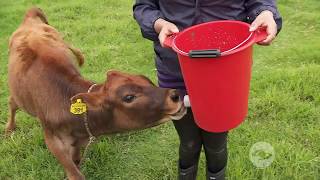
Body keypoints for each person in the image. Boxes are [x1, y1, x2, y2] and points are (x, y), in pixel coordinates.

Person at [133, 1, 282, 179]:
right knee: (188, 142)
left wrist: (265, 12)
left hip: (224, 72)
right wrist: (159, 23)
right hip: (174, 67)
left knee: (216, 144)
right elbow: (144, 6)